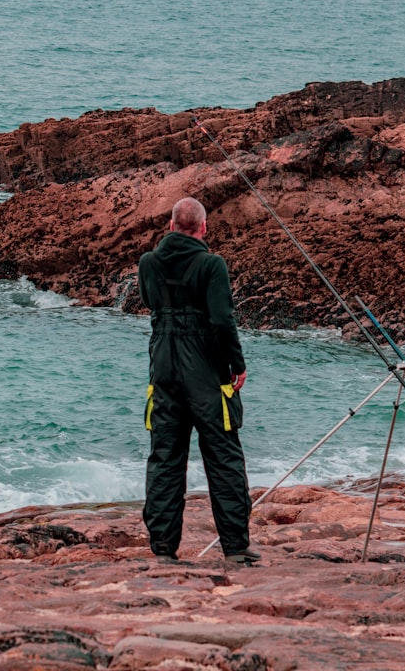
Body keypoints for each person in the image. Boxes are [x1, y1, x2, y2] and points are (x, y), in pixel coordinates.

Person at [138, 196, 260, 564]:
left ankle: (163, 549)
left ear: (171, 225)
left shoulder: (148, 262)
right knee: (223, 458)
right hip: (206, 371)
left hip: (164, 369)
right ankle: (236, 548)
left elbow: (148, 301)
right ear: (203, 228)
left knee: (165, 458)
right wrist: (237, 365)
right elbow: (223, 320)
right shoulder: (212, 265)